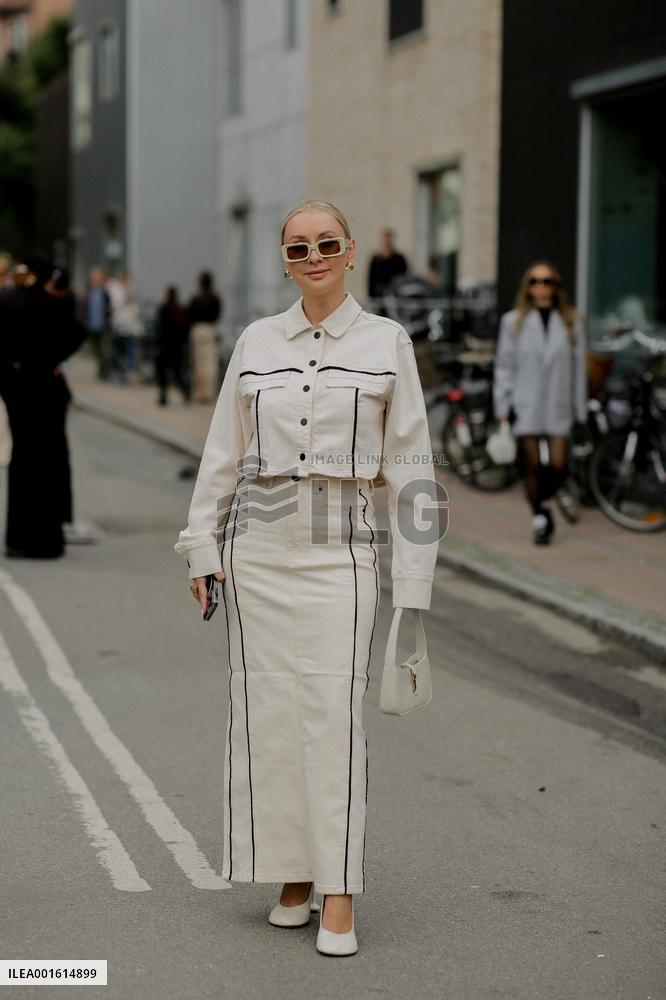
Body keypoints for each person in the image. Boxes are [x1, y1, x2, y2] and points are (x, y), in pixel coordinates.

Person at [174, 200, 439, 957]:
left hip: (340, 546)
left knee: (332, 718)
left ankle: (340, 891)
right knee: (269, 717)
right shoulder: (257, 341)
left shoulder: (389, 342)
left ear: (351, 251)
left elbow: (414, 467)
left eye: (327, 243)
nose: (314, 255)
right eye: (299, 247)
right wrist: (203, 548)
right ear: (285, 260)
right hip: (257, 543)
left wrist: (413, 588)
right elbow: (223, 451)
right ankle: (291, 875)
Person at [493, 259, 587, 545]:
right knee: (532, 465)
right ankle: (540, 518)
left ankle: (544, 501)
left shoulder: (572, 322)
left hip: (558, 404)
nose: (541, 287)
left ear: (556, 287)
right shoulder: (514, 321)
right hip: (526, 403)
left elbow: (579, 370)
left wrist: (579, 411)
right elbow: (504, 367)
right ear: (528, 287)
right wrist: (502, 408)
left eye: (547, 281)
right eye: (535, 281)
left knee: (558, 464)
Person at [0, 253, 87, 559]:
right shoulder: (51, 306)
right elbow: (78, 330)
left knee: (22, 461)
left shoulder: (10, 301)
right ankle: (44, 539)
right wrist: (53, 361)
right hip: (45, 391)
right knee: (47, 462)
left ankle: (18, 538)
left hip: (18, 389)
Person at [187, 270, 222, 403]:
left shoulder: (196, 298)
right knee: (210, 362)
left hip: (198, 329)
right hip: (211, 329)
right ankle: (209, 392)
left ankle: (199, 393)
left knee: (198, 362)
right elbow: (218, 314)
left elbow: (190, 315)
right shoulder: (215, 298)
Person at [154, 285, 190, 405]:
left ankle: (164, 396)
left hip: (165, 347)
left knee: (163, 373)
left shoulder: (165, 309)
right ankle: (185, 391)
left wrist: (158, 344)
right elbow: (185, 328)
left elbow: (160, 328)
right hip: (177, 347)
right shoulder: (180, 309)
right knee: (177, 372)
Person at [80, 266, 112, 380]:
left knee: (104, 350)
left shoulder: (104, 292)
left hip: (103, 325)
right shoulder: (88, 292)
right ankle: (101, 369)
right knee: (96, 350)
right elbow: (84, 308)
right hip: (91, 325)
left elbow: (109, 309)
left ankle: (104, 371)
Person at [367, 228, 408, 300]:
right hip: (379, 298)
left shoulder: (399, 259)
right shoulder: (376, 260)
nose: (387, 243)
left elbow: (404, 277)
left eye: (388, 241)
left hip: (396, 297)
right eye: (385, 241)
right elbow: (371, 280)